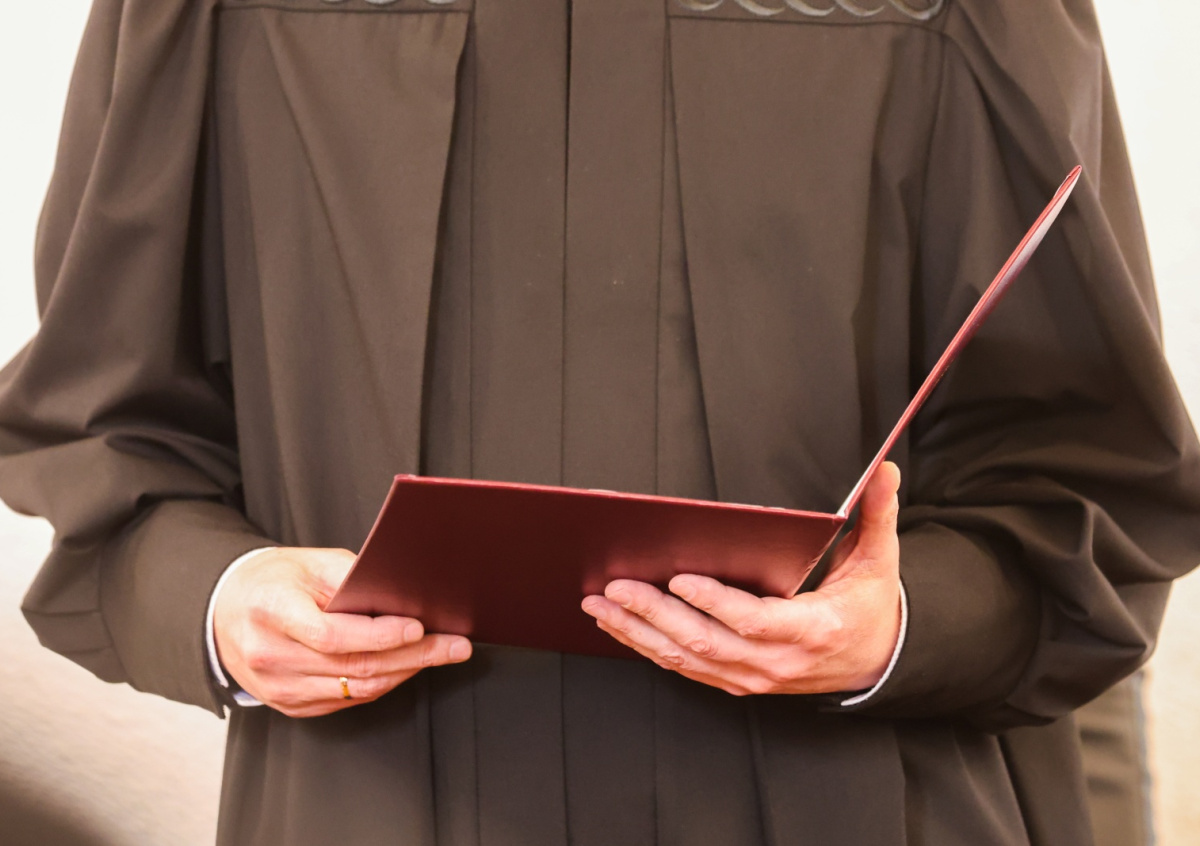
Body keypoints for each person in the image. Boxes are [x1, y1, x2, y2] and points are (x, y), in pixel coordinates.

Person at [2, 0, 1197, 844]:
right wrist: (221, 601)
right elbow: (110, 436)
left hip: (866, 804)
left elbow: (1087, 481)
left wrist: (898, 625)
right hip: (369, 806)